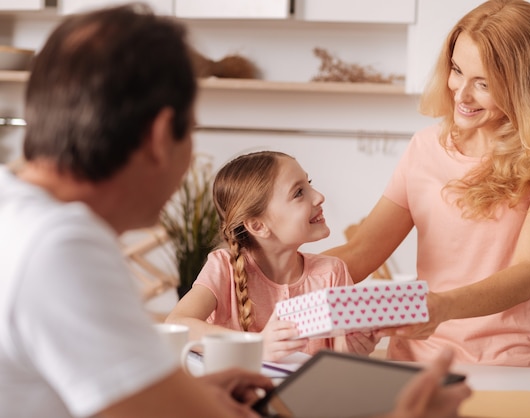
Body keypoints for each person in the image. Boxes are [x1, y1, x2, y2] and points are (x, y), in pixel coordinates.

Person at [0, 3, 471, 418]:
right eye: (193, 131)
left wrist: (195, 394)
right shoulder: (62, 249)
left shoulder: (17, 216)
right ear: (162, 136)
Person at [325, 0, 530, 368]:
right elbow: (363, 249)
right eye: (457, 71)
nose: (461, 94)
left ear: (524, 87)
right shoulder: (424, 147)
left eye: (483, 83)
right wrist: (272, 274)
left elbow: (528, 273)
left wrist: (441, 307)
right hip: (416, 362)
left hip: (506, 366)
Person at [166, 151, 378, 361]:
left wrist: (355, 347)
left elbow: (339, 359)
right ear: (258, 225)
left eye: (309, 184)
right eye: (298, 193)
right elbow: (177, 325)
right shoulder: (225, 267)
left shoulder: (332, 272)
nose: (319, 197)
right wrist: (256, 346)